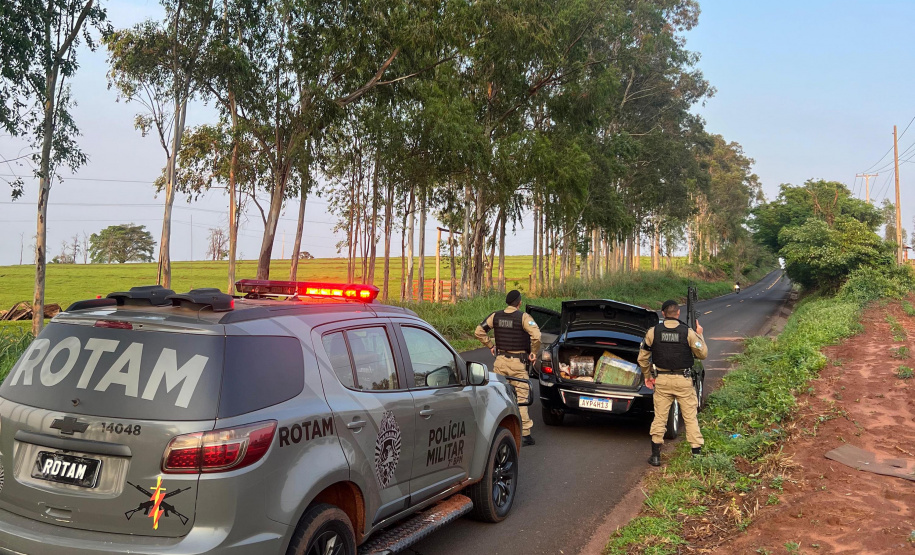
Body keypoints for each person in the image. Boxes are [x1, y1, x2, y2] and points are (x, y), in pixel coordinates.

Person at [638, 300, 708, 466]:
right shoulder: (688, 332)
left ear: (663, 314)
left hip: (662, 380)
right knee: (690, 417)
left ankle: (655, 456)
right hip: (683, 380)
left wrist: (647, 375)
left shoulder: (653, 331)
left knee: (660, 417)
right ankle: (696, 456)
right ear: (678, 313)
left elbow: (642, 357)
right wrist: (700, 334)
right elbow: (703, 353)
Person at [475, 289, 541, 446]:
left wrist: (490, 345)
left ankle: (497, 430)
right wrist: (533, 353)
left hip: (500, 363)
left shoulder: (495, 316)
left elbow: (479, 331)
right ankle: (525, 435)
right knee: (522, 398)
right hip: (518, 364)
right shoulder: (524, 317)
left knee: (499, 396)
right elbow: (537, 336)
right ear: (519, 303)